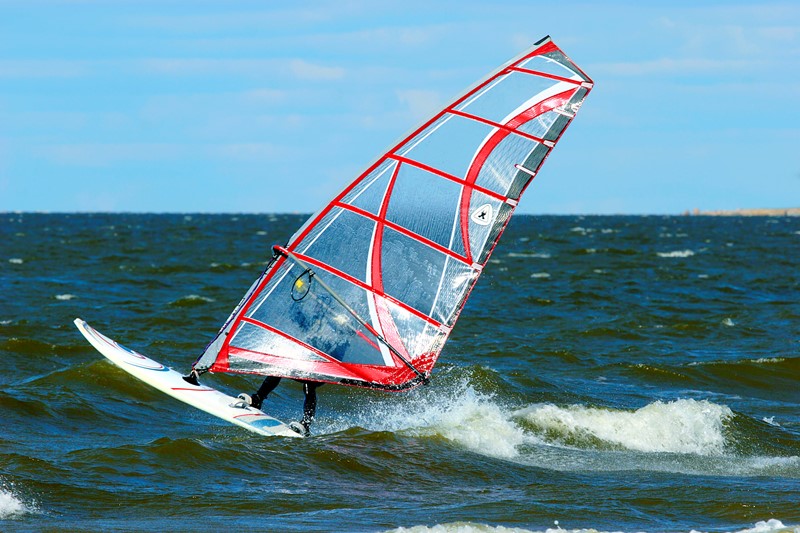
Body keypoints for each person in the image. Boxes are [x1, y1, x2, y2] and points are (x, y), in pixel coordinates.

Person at [238, 377, 322, 436]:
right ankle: (257, 400)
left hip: (322, 366)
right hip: (305, 361)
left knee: (309, 384)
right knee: (279, 370)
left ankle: (306, 424)